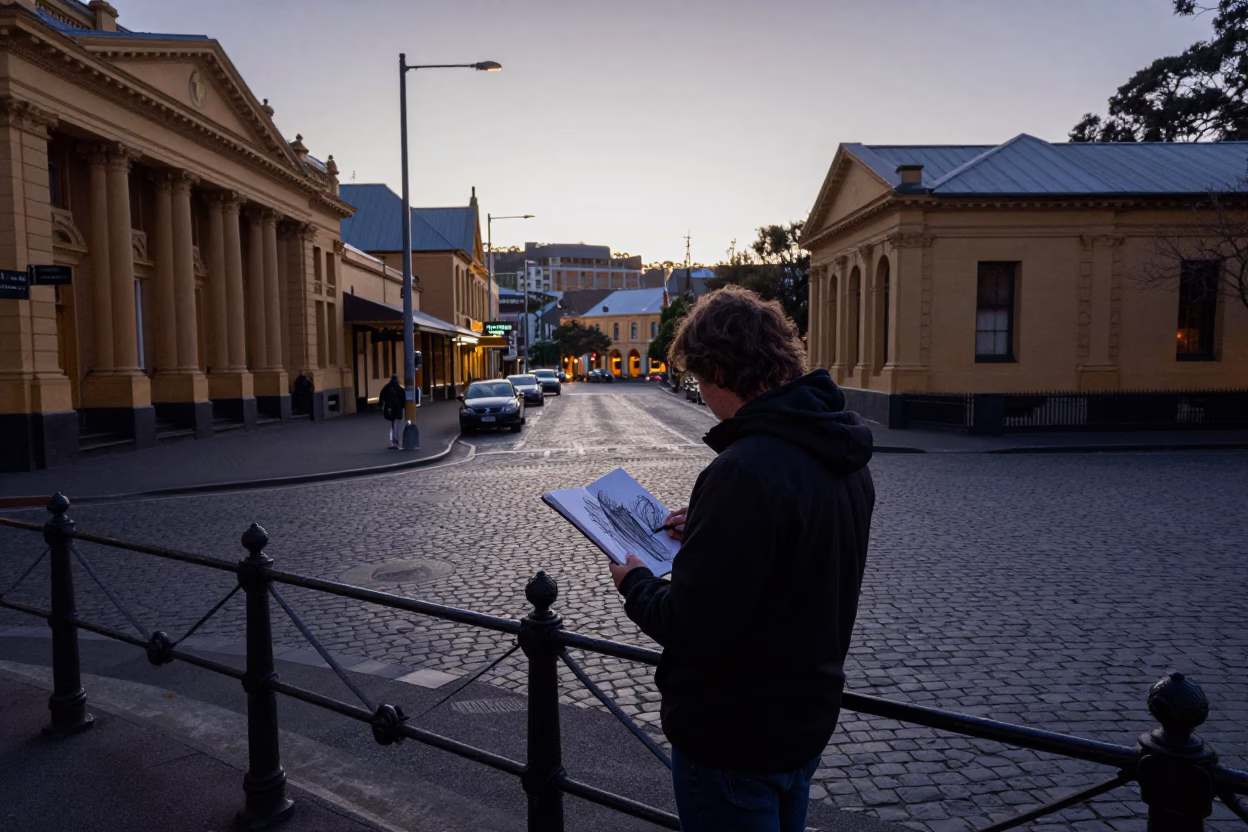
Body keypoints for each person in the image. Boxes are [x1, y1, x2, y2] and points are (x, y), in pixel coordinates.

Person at [608, 286, 875, 832]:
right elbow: (795, 565)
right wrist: (709, 529)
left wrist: (635, 580)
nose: (701, 393)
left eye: (700, 378)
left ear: (721, 371)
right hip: (804, 718)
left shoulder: (743, 470)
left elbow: (692, 623)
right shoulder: (840, 452)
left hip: (735, 735)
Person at [379, 374, 405, 449]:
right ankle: (395, 439)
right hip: (397, 409)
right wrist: (403, 407)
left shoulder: (387, 387)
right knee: (396, 424)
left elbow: (382, 396)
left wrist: (381, 405)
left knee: (392, 424)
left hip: (389, 409)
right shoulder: (399, 388)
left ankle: (393, 440)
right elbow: (403, 397)